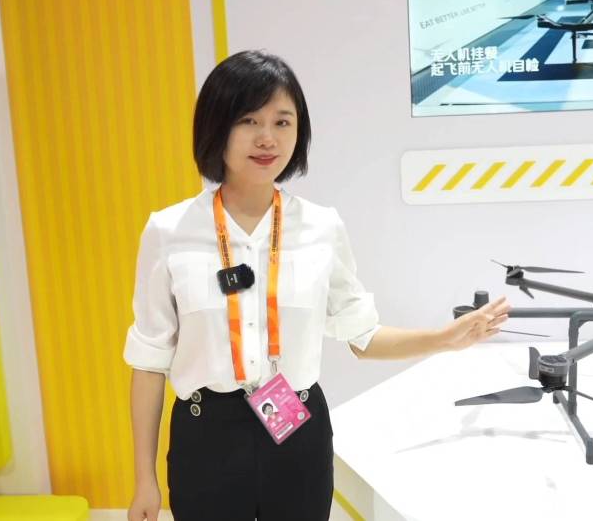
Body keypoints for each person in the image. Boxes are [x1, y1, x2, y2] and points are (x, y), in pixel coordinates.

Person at [125, 50, 509, 521]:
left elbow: (362, 337)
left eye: (282, 122)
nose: (267, 138)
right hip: (206, 436)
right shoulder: (169, 231)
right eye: (248, 120)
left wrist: (443, 339)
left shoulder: (322, 227)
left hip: (295, 428)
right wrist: (144, 479)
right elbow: (149, 362)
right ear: (216, 126)